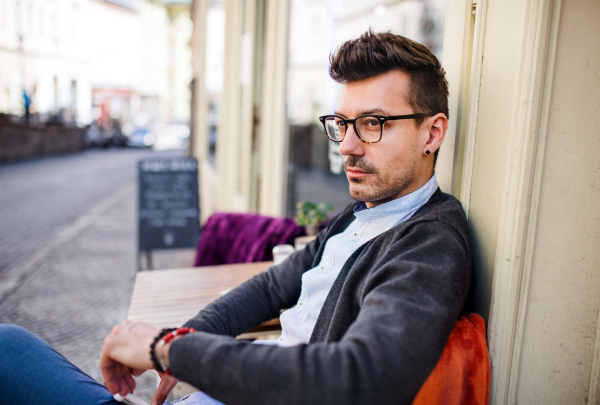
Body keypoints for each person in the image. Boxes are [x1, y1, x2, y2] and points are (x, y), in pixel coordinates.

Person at [0, 30, 472, 405]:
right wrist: (184, 337)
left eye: (373, 123)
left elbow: (361, 379)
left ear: (432, 133)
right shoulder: (360, 215)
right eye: (343, 124)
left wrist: (165, 349)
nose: (346, 145)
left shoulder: (429, 242)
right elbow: (271, 286)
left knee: (7, 350)